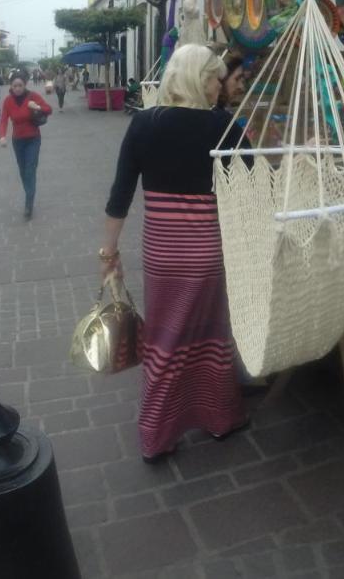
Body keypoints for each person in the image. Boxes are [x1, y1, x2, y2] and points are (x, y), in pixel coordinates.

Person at [100, 44, 246, 463]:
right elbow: (258, 179)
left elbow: (120, 195)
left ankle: (157, 435)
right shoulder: (225, 127)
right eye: (217, 79)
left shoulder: (144, 125)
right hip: (208, 255)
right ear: (201, 80)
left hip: (162, 256)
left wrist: (108, 253)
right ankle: (220, 418)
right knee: (212, 337)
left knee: (165, 341)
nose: (221, 87)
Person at [0, 74, 52, 219]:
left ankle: (29, 202)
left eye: (20, 85)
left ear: (25, 85)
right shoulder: (8, 101)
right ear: (11, 86)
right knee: (23, 170)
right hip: (18, 141)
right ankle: (29, 192)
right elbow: (3, 119)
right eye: (14, 86)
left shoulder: (32, 96)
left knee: (30, 168)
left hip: (33, 139)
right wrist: (2, 135)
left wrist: (37, 106)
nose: (17, 88)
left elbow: (49, 109)